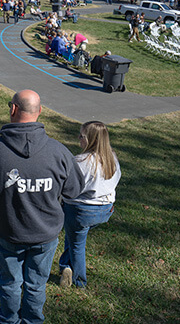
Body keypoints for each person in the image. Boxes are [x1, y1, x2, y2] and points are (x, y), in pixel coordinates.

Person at [0, 90, 81, 324]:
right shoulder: (59, 152)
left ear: (13, 109)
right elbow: (75, 191)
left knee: (10, 282)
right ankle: (32, 321)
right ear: (39, 112)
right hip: (45, 233)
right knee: (36, 284)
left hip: (7, 231)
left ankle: (8, 319)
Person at [59, 121, 121, 288]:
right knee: (74, 236)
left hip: (81, 212)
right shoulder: (112, 159)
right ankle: (65, 265)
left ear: (92, 140)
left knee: (77, 244)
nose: (78, 138)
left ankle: (79, 281)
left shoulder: (80, 161)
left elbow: (68, 188)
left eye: (82, 136)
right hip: (105, 210)